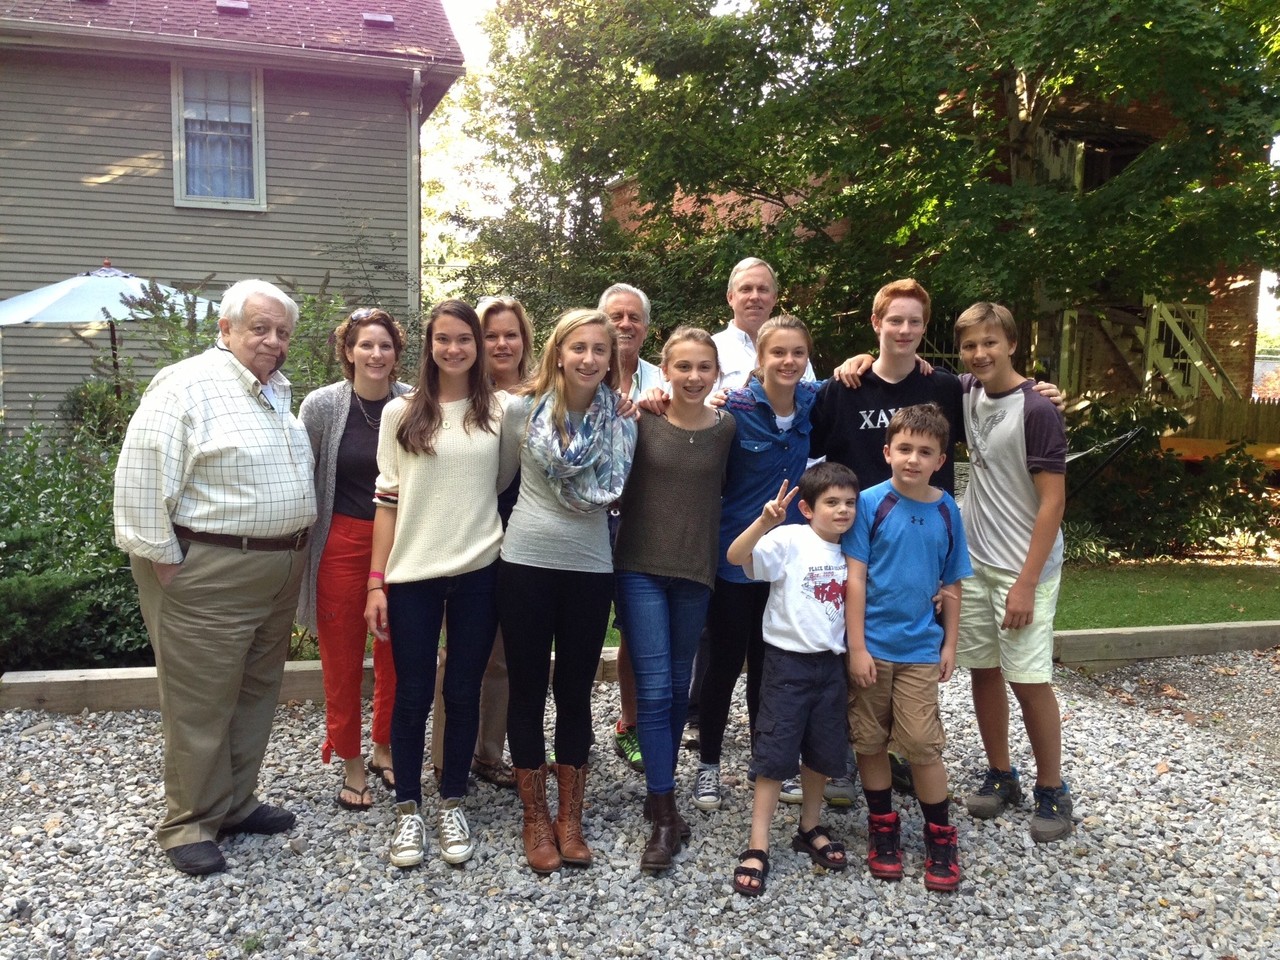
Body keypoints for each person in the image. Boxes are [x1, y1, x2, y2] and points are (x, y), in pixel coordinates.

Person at [113, 278, 316, 877]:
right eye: (260, 328)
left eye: (282, 332)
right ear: (225, 329)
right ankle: (189, 823)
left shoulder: (276, 390)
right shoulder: (186, 386)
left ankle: (235, 803)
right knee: (200, 700)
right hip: (210, 569)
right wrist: (168, 563)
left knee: (255, 692)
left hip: (277, 566)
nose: (273, 341)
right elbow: (142, 476)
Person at [364, 299, 520, 868]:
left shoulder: (501, 411)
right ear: (429, 346)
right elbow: (387, 501)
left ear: (479, 347)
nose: (454, 349)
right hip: (413, 576)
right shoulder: (400, 413)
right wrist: (376, 583)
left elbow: (502, 481)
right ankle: (408, 809)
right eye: (443, 339)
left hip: (480, 570)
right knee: (411, 695)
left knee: (462, 692)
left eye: (465, 340)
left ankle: (452, 800)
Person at [498, 308, 637, 874]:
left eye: (599, 350)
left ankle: (570, 819)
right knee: (528, 687)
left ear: (611, 360)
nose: (588, 359)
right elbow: (501, 483)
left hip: (589, 566)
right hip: (526, 561)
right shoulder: (519, 411)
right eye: (578, 348)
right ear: (558, 351)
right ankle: (535, 817)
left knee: (576, 691)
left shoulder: (624, 420)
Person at [613, 327, 736, 872]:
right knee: (657, 688)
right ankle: (664, 812)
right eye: (682, 366)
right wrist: (634, 406)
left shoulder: (727, 428)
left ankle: (660, 796)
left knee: (676, 687)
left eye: (703, 367)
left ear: (717, 373)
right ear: (665, 371)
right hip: (640, 568)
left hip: (695, 574)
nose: (692, 376)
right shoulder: (642, 421)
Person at [951, 302, 1073, 843]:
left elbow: (1052, 503)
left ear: (1012, 344)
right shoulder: (967, 393)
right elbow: (905, 368)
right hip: (975, 562)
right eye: (971, 345)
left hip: (1026, 568)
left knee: (1029, 679)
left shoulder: (1037, 410)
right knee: (983, 670)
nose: (980, 353)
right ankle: (1002, 774)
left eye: (990, 343)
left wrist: (1025, 582)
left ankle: (1053, 788)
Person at [843, 403, 973, 892]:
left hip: (921, 647)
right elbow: (855, 580)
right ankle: (883, 827)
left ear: (940, 459)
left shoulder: (946, 509)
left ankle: (940, 834)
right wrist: (856, 647)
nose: (913, 459)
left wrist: (950, 644)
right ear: (887, 451)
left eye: (925, 452)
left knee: (920, 742)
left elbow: (953, 583)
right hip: (872, 647)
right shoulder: (871, 504)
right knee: (870, 740)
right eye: (904, 449)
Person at [693, 314, 818, 813]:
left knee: (772, 665)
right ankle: (708, 766)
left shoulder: (812, 402)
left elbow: (869, 381)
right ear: (759, 360)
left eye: (798, 354)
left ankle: (770, 763)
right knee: (723, 663)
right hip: (736, 558)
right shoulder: (732, 410)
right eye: (778, 353)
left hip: (785, 562)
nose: (788, 362)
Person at [724, 462, 859, 897]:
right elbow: (735, 556)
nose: (843, 510)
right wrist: (764, 522)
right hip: (787, 665)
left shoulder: (853, 550)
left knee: (821, 751)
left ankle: (809, 825)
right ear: (807, 507)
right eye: (832, 502)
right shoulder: (789, 538)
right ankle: (758, 842)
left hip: (831, 666)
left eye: (850, 503)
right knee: (774, 752)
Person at [297, 308, 409, 812]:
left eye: (385, 345)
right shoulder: (322, 407)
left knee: (397, 655)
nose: (376, 354)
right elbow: (306, 478)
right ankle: (349, 760)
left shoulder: (411, 404)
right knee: (341, 659)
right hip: (340, 543)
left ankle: (384, 745)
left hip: (401, 544)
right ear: (348, 351)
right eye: (366, 345)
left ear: (397, 352)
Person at [429, 296, 536, 790]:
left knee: (504, 656)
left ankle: (488, 756)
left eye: (510, 334)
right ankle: (445, 757)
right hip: (466, 536)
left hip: (527, 538)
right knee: (458, 653)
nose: (501, 344)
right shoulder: (456, 398)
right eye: (490, 335)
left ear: (525, 340)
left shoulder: (540, 397)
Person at [599, 282, 664, 776]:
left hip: (642, 516)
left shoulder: (661, 380)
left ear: (646, 326)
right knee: (575, 628)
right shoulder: (580, 369)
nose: (624, 325)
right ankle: (569, 732)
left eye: (633, 318)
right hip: (584, 519)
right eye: (615, 316)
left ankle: (631, 724)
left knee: (636, 630)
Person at [712, 258, 816, 391]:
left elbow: (812, 400)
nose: (755, 297)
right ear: (730, 298)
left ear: (774, 298)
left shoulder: (794, 351)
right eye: (746, 289)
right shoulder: (711, 350)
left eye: (762, 289)